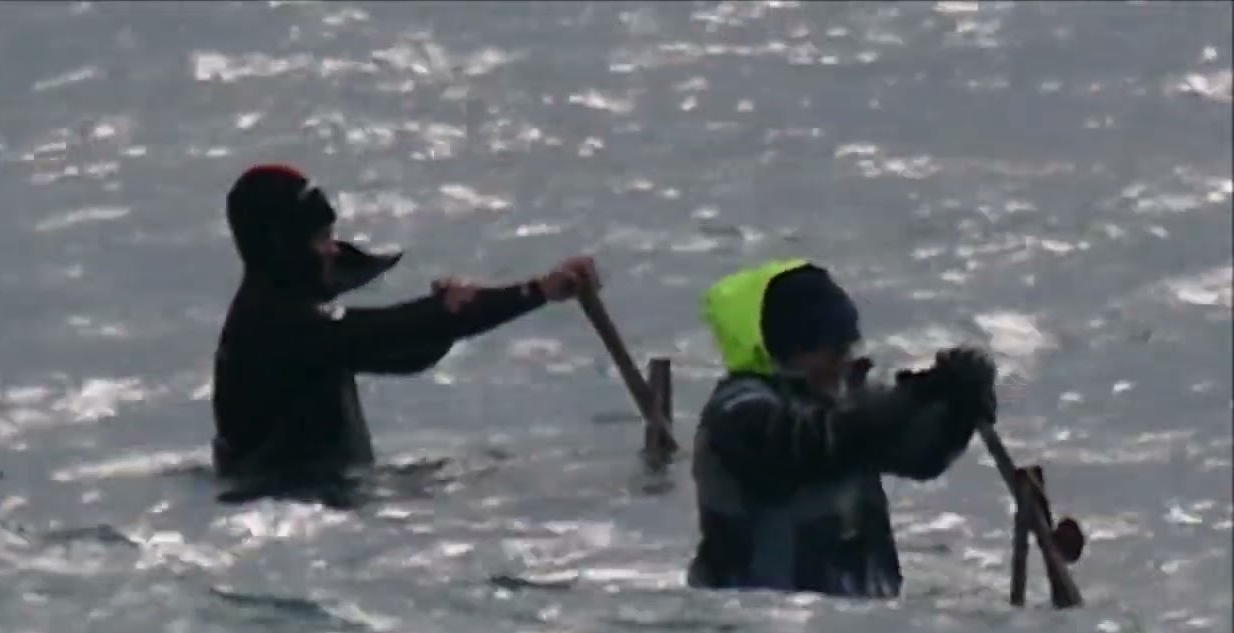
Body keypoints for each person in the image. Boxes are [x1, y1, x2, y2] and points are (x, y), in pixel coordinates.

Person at [211, 164, 599, 505]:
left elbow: (402, 352)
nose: (333, 251)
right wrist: (536, 291)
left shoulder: (287, 314)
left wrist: (445, 314)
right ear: (282, 247)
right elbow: (388, 334)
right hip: (282, 503)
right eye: (320, 240)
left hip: (314, 492)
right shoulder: (278, 326)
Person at [687, 259, 998, 598]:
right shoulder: (737, 411)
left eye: (847, 348)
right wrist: (914, 395)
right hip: (761, 616)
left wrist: (958, 412)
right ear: (795, 350)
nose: (843, 362)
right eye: (833, 350)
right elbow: (812, 444)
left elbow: (918, 458)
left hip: (852, 617)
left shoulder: (842, 404)